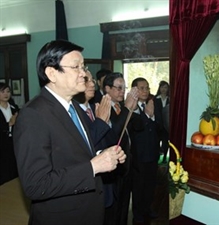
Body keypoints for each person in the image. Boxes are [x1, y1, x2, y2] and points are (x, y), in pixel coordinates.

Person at [13, 40, 126, 225]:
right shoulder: (33, 114)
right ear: (52, 73)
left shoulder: (74, 106)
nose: (84, 74)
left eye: (83, 66)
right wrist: (93, 167)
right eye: (76, 67)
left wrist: (102, 155)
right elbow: (35, 184)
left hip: (88, 212)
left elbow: (74, 153)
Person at [102, 72, 138, 225]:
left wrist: (133, 109)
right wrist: (126, 109)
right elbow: (114, 132)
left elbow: (139, 126)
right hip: (113, 167)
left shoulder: (122, 107)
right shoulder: (103, 108)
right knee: (113, 208)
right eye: (118, 88)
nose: (122, 91)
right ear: (107, 89)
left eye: (124, 88)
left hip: (127, 163)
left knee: (124, 204)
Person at [130, 77, 160, 224]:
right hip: (138, 155)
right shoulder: (131, 107)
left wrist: (152, 116)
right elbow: (138, 127)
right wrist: (148, 115)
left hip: (152, 153)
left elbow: (160, 129)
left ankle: (148, 208)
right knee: (138, 187)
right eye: (142, 88)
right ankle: (138, 213)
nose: (145, 91)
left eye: (147, 88)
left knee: (150, 184)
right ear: (134, 90)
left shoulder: (153, 104)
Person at [0, 83, 19, 185]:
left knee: (13, 167)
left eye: (8, 91)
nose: (6, 94)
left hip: (14, 141)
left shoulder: (14, 107)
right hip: (2, 143)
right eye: (2, 92)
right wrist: (9, 124)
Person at [154, 81, 170, 163]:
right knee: (156, 141)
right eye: (162, 87)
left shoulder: (170, 99)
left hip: (167, 124)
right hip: (157, 124)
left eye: (165, 87)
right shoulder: (155, 99)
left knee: (165, 141)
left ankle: (164, 158)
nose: (163, 89)